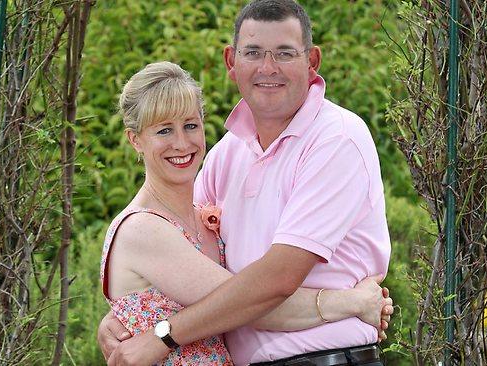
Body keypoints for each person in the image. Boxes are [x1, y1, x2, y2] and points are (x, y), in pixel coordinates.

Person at [101, 0, 393, 364]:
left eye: (285, 53)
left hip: (325, 357)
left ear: (312, 61)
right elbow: (184, 253)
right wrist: (128, 312)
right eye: (253, 52)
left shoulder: (336, 139)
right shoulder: (228, 154)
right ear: (231, 62)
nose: (267, 68)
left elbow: (276, 281)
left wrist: (163, 335)